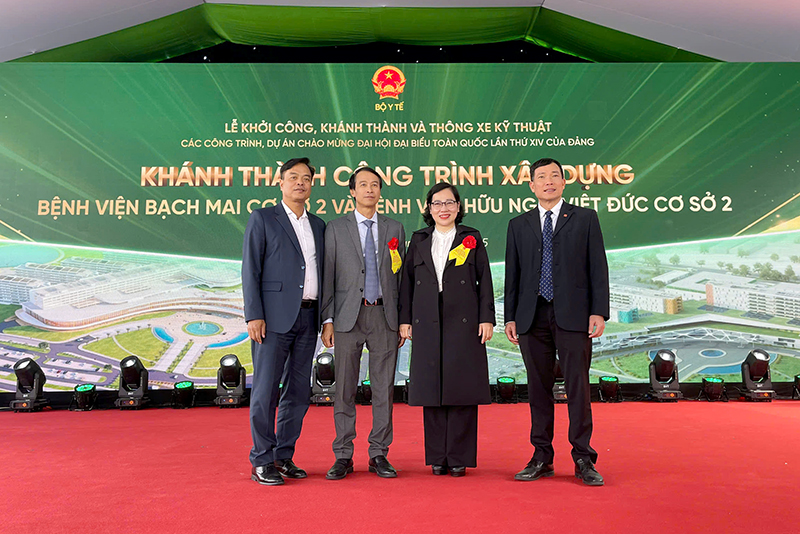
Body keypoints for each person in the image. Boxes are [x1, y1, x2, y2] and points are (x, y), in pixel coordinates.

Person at [504, 157, 610, 486]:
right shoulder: (518, 225)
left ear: (564, 182)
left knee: (577, 387)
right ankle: (541, 457)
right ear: (531, 185)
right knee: (538, 389)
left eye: (554, 176)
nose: (548, 181)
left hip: (574, 314)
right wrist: (510, 316)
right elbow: (513, 274)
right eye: (541, 177)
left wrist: (598, 311)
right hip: (531, 316)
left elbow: (598, 267)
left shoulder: (585, 218)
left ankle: (583, 458)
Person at [399, 182, 495, 477]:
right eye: (437, 203)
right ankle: (437, 457)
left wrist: (486, 318)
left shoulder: (470, 237)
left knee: (461, 386)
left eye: (449, 203)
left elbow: (485, 279)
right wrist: (405, 319)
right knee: (432, 388)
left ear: (458, 207)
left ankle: (459, 456)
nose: (444, 208)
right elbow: (406, 282)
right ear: (429, 209)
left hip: (463, 319)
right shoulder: (419, 239)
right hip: (427, 319)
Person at [242, 157, 325, 486]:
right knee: (265, 391)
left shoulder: (318, 225)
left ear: (312, 185)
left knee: (298, 392)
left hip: (309, 317)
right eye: (293, 177)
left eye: (306, 178)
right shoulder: (263, 218)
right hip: (273, 320)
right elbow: (251, 269)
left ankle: (283, 455)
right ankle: (262, 459)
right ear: (280, 182)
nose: (300, 183)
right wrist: (254, 314)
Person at [320, 166, 406, 480]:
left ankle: (379, 453)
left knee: (383, 389)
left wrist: (403, 320)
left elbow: (402, 277)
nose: (370, 189)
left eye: (375, 185)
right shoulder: (335, 228)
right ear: (352, 192)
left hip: (385, 317)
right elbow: (328, 276)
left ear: (380, 191)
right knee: (344, 389)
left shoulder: (395, 227)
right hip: (347, 318)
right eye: (363, 185)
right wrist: (327, 319)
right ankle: (343, 455)